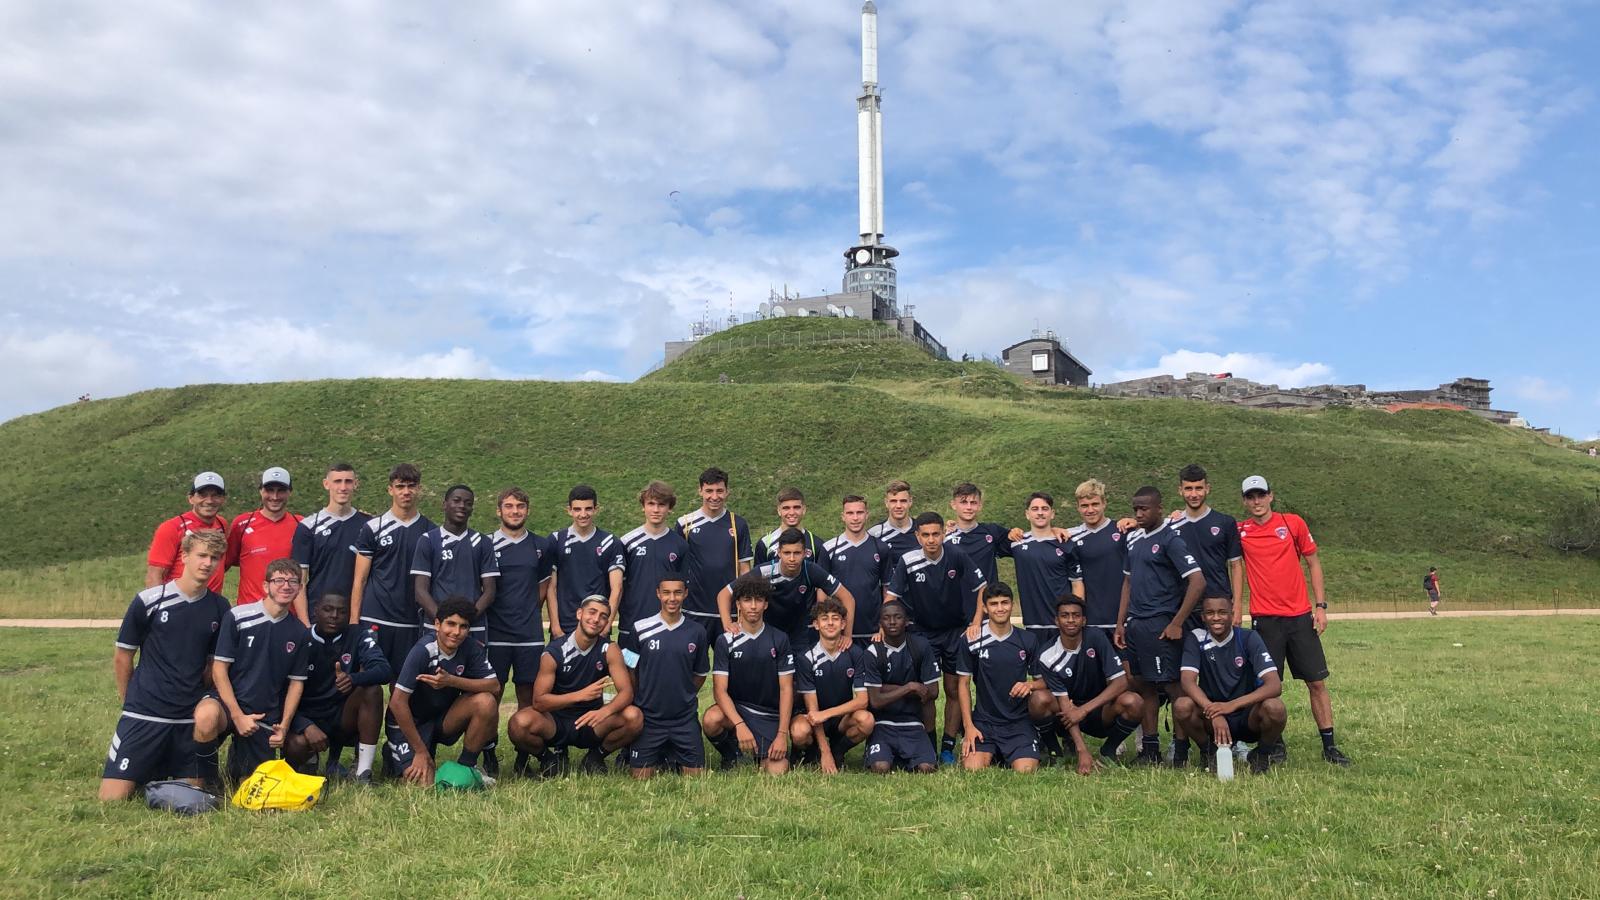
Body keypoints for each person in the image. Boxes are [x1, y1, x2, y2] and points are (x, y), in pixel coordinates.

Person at [100, 531, 232, 801]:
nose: (208, 563)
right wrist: (130, 701)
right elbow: (123, 655)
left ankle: (164, 769)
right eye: (202, 555)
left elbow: (212, 665)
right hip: (145, 715)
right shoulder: (149, 600)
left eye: (215, 558)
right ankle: (147, 767)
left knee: (190, 798)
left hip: (186, 719)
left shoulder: (219, 607)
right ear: (184, 556)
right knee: (112, 799)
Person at [1237, 475, 1351, 765]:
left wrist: (1321, 606)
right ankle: (1275, 744)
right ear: (1244, 501)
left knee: (1316, 683)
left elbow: (1313, 562)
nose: (1257, 501)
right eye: (1250, 497)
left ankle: (1329, 746)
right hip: (1264, 620)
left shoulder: (1292, 523)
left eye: (1261, 495)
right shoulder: (1241, 531)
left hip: (1299, 617)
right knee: (1267, 687)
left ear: (1271, 496)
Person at [193, 558, 312, 787]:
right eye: (279, 580)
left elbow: (296, 683)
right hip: (228, 705)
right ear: (266, 586)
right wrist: (237, 716)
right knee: (206, 717)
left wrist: (284, 726)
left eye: (293, 581)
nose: (286, 586)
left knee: (251, 789)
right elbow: (219, 670)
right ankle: (207, 779)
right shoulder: (238, 616)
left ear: (299, 589)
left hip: (262, 715)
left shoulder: (299, 633)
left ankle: (237, 762)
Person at [884, 511, 987, 765]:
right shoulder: (908, 561)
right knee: (927, 692)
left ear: (943, 533)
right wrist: (885, 627)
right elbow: (891, 598)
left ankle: (948, 747)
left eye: (936, 534)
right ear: (917, 536)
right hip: (922, 633)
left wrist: (975, 623)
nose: (931, 540)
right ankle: (927, 744)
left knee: (954, 688)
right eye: (926, 535)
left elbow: (981, 588)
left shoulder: (957, 555)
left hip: (954, 632)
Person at [1114, 486, 1204, 766]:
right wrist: (1120, 624)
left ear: (1159, 509)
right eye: (1135, 509)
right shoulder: (1134, 540)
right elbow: (1127, 583)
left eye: (1144, 509)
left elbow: (1198, 581)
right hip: (1137, 625)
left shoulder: (1170, 539)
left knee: (1173, 687)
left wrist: (1177, 622)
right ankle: (1150, 750)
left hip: (1161, 624)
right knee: (1144, 686)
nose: (1139, 514)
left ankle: (1180, 750)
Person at [507, 595, 643, 776]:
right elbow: (539, 702)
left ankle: (596, 756)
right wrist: (579, 695)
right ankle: (547, 758)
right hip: (556, 722)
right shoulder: (554, 651)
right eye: (592, 612)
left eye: (603, 616)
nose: (596, 619)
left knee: (634, 717)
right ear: (579, 613)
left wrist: (604, 711)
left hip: (592, 721)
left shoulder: (610, 649)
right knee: (518, 723)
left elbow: (626, 692)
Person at [384, 597, 501, 785]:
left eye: (463, 626)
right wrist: (421, 752)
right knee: (423, 784)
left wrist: (451, 681)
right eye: (451, 624)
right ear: (437, 624)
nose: (456, 632)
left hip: (442, 719)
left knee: (486, 701)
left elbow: (494, 686)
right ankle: (397, 753)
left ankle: (466, 768)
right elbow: (397, 703)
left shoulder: (470, 647)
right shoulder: (423, 650)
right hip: (410, 723)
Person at [1174, 595, 1288, 775]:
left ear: (1232, 614)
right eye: (1210, 613)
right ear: (1203, 617)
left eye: (1222, 612)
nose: (1216, 618)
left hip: (1247, 716)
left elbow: (1274, 685)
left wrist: (1231, 706)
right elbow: (1187, 681)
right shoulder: (1196, 638)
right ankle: (1209, 752)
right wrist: (1214, 711)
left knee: (1275, 708)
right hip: (1212, 716)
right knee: (1182, 706)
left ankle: (1262, 755)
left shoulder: (1248, 637)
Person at [285, 592, 390, 783]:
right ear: (315, 611)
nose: (334, 616)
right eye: (328, 609)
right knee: (296, 745)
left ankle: (363, 772)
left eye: (341, 612)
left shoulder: (358, 635)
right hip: (308, 716)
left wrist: (354, 678)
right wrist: (304, 725)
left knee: (372, 690)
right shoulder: (300, 639)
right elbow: (280, 694)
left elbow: (384, 670)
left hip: (342, 716)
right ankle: (308, 760)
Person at [1030, 596, 1143, 773]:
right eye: (1065, 615)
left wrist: (1084, 710)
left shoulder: (1096, 637)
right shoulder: (1047, 655)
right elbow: (1064, 704)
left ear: (1084, 620)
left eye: (1076, 615)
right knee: (1038, 699)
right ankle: (1055, 753)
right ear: (1056, 620)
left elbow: (1121, 682)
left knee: (1133, 701)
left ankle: (1108, 751)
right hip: (1066, 713)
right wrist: (1082, 750)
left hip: (1099, 710)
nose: (1070, 620)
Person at [487, 487, 555, 776]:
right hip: (495, 633)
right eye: (509, 506)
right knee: (493, 694)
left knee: (528, 694)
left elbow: (542, 587)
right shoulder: (485, 544)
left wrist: (526, 612)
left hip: (528, 634)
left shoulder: (540, 546)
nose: (515, 511)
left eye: (520, 507)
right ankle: (488, 755)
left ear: (528, 510)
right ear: (499, 510)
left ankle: (524, 755)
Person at [704, 573, 796, 773]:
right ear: (738, 604)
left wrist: (782, 734)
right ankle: (733, 755)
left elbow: (786, 689)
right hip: (737, 711)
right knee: (712, 719)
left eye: (758, 600)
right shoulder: (725, 641)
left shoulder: (779, 639)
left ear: (766, 604)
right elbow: (720, 691)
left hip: (768, 715)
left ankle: (758, 753)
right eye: (747, 600)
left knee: (777, 771)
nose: (753, 606)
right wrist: (739, 724)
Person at [351, 464, 435, 674]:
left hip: (411, 621)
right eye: (400, 486)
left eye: (411, 486)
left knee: (403, 686)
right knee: (366, 682)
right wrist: (354, 621)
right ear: (391, 489)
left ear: (419, 489)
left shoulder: (431, 532)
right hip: (375, 616)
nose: (406, 492)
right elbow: (359, 579)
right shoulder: (373, 527)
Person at [627, 578, 712, 779]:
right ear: (658, 593)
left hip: (684, 719)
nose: (672, 598)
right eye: (666, 592)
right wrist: (642, 695)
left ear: (685, 594)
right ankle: (662, 754)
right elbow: (630, 668)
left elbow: (700, 674)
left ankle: (672, 754)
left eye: (677, 592)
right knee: (640, 777)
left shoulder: (697, 631)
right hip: (650, 719)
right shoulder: (640, 627)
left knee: (696, 776)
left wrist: (683, 694)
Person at [720, 527, 854, 651]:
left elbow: (848, 598)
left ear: (805, 553)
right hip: (770, 633)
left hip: (800, 636)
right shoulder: (765, 571)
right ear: (778, 552)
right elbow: (724, 594)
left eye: (797, 553)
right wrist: (728, 624)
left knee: (800, 676)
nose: (791, 558)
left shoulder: (811, 570)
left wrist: (847, 635)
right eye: (786, 553)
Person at [955, 584, 1042, 772]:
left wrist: (1030, 684)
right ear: (985, 608)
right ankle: (993, 752)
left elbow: (1043, 682)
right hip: (984, 722)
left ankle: (1019, 746)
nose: (1000, 608)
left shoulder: (1027, 639)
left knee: (1026, 770)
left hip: (1018, 722)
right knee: (972, 769)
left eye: (1005, 603)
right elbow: (963, 684)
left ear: (1012, 605)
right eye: (994, 604)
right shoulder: (971, 640)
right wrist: (968, 726)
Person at [791, 597, 875, 772]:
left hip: (840, 717)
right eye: (824, 618)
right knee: (799, 732)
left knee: (866, 720)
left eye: (835, 618)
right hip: (811, 717)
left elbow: (862, 701)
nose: (830, 623)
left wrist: (827, 714)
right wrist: (824, 751)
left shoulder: (855, 653)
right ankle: (813, 751)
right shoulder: (806, 658)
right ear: (816, 624)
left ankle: (838, 751)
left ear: (843, 624)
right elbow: (813, 710)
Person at [861, 601, 940, 774]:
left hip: (913, 722)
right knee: (880, 768)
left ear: (907, 621)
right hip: (882, 723)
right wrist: (910, 687)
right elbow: (875, 701)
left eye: (897, 617)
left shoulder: (921, 646)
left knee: (927, 768)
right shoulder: (873, 652)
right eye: (886, 618)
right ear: (880, 623)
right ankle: (887, 752)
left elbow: (932, 691)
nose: (892, 622)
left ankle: (929, 744)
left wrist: (885, 689)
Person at [412, 485, 499, 636]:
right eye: (456, 501)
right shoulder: (428, 540)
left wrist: (466, 621)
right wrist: (444, 621)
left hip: (473, 627)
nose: (462, 506)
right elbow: (420, 591)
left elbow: (490, 592)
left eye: (468, 503)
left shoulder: (483, 542)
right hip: (437, 627)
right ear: (444, 504)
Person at [676, 467, 753, 634]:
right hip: (694, 610)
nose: (715, 496)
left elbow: (745, 569)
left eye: (720, 491)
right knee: (695, 660)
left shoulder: (738, 524)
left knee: (730, 659)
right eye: (709, 491)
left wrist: (744, 607)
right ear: (700, 491)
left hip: (730, 610)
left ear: (727, 492)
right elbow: (677, 569)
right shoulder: (685, 524)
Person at [618, 481, 692, 652]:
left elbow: (683, 587)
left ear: (670, 508)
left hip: (666, 625)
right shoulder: (627, 542)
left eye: (661, 504)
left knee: (662, 672)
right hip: (632, 624)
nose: (656, 510)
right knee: (630, 673)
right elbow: (618, 585)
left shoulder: (680, 546)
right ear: (643, 506)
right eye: (651, 504)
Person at [1167, 464, 1244, 627]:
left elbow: (1236, 565)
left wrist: (1237, 604)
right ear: (1180, 490)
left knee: (1222, 652)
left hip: (1218, 603)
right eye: (1188, 489)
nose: (1194, 494)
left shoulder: (1225, 522)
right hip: (1183, 607)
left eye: (1198, 488)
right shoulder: (1171, 526)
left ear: (1207, 488)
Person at [291, 463, 368, 624]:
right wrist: (305, 625)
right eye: (337, 481)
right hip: (318, 615)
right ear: (326, 484)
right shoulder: (308, 527)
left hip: (356, 617)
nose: (343, 487)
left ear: (356, 484)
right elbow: (300, 581)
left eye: (348, 481)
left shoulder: (369, 525)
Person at [547, 485, 626, 639]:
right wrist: (556, 627)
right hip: (564, 627)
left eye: (588, 509)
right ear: (569, 510)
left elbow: (617, 588)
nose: (583, 514)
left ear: (596, 509)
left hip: (597, 626)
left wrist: (606, 626)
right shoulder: (556, 540)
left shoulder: (610, 542)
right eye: (577, 509)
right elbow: (551, 587)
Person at [1007, 492, 1082, 645]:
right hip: (1033, 624)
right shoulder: (1016, 543)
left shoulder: (1066, 543)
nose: (1040, 512)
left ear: (1052, 513)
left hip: (1063, 624)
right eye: (1035, 509)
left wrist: (1076, 617)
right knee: (1038, 668)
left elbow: (1077, 584)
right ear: (1027, 514)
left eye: (1044, 508)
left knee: (1068, 668)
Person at [822, 495, 896, 647]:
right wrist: (826, 627)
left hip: (873, 633)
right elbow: (821, 591)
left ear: (867, 514)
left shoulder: (880, 548)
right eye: (850, 513)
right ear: (843, 516)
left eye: (859, 512)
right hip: (839, 633)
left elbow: (888, 589)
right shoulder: (829, 548)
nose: (855, 518)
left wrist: (884, 625)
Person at [226, 467, 302, 607]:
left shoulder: (301, 525)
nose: (275, 497)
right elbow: (222, 564)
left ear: (289, 492)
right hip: (250, 612)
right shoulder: (242, 524)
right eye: (269, 490)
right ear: (261, 490)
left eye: (281, 491)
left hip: (288, 614)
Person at [145, 471, 229, 593]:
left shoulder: (222, 525)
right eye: (202, 495)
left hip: (211, 604)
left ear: (223, 499)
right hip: (179, 603)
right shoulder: (171, 528)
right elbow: (154, 575)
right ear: (191, 498)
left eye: (215, 495)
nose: (209, 501)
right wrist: (158, 606)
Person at [1066, 479, 1129, 630]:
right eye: (1084, 506)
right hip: (1091, 622)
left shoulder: (1122, 530)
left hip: (1123, 621)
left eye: (1095, 504)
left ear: (1104, 503)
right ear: (1078, 507)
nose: (1090, 510)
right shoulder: (1071, 538)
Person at [945, 482, 1013, 586]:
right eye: (963, 502)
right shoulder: (944, 538)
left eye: (973, 502)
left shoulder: (992, 532)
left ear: (980, 505)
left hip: (988, 599)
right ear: (953, 505)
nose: (969, 507)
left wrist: (1016, 531)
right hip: (959, 601)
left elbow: (1020, 547)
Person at [753, 487, 827, 566]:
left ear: (804, 509)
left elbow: (821, 577)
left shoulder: (816, 544)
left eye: (796, 507)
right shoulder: (765, 543)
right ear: (779, 510)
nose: (791, 512)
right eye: (786, 508)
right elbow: (758, 577)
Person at [867, 480, 918, 559]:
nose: (898, 506)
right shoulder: (874, 534)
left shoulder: (922, 529)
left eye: (903, 501)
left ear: (910, 501)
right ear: (886, 502)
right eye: (893, 501)